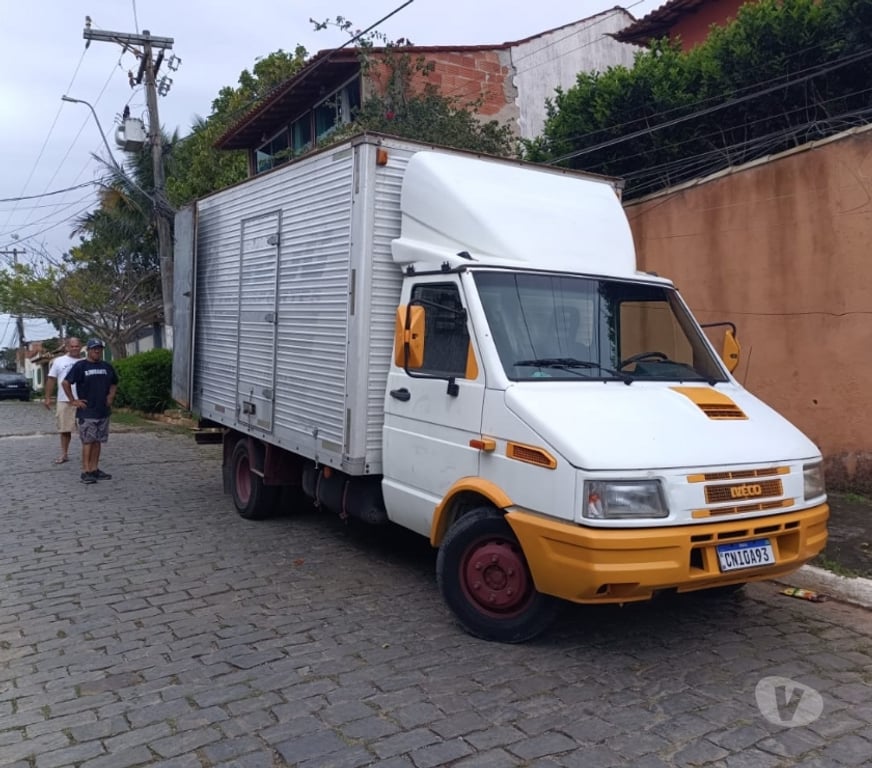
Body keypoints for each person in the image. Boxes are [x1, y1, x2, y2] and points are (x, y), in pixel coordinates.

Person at [62, 339, 119, 485]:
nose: (97, 351)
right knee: (88, 441)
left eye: (99, 349)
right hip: (87, 411)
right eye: (94, 349)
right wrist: (73, 400)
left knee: (97, 441)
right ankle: (86, 470)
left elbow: (114, 382)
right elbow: (66, 383)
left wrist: (111, 396)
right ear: (88, 350)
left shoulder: (106, 366)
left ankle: (94, 469)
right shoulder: (80, 366)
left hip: (103, 410)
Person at [43, 338, 83, 464]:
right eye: (72, 346)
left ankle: (87, 454)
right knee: (65, 430)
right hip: (64, 400)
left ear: (80, 347)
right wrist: (48, 397)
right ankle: (64, 454)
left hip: (82, 400)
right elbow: (51, 379)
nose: (75, 348)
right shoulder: (59, 361)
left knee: (87, 430)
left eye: (77, 346)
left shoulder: (85, 361)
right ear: (67, 347)